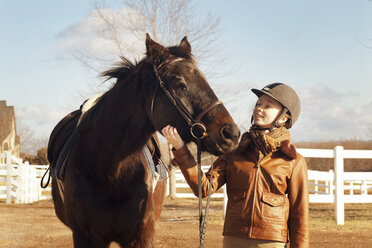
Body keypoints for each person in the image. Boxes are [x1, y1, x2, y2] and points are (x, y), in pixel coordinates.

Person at [162, 83, 309, 248]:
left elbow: (300, 215)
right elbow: (203, 188)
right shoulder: (233, 154)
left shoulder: (293, 161)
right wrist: (181, 149)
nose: (259, 108)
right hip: (233, 239)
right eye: (258, 104)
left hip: (270, 241)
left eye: (267, 106)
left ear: (283, 117)